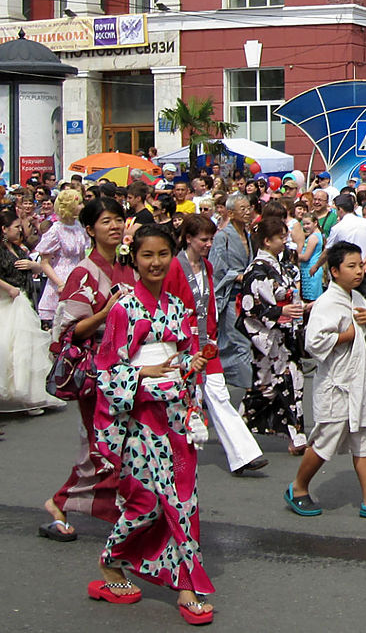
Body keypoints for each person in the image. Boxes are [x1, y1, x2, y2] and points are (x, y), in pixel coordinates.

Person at [90, 224, 215, 625]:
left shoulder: (178, 309)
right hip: (140, 419)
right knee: (146, 504)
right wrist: (143, 375)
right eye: (147, 255)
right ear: (134, 258)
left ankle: (186, 584)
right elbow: (107, 370)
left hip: (175, 415)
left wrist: (189, 369)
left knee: (183, 501)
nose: (156, 263)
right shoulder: (125, 309)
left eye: (163, 254)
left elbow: (185, 359)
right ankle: (112, 561)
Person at [285, 241, 366, 520]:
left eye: (361, 265)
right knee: (326, 437)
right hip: (336, 382)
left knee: (364, 436)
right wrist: (346, 335)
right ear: (335, 271)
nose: (359, 271)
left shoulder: (357, 299)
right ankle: (298, 487)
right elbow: (313, 343)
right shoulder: (327, 303)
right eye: (351, 266)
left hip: (359, 381)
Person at [41, 198, 138, 541]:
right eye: (106, 221)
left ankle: (102, 506)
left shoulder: (129, 266)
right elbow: (70, 331)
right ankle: (66, 502)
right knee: (105, 446)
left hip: (127, 369)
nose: (114, 226)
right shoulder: (82, 272)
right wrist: (106, 311)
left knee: (120, 444)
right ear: (89, 229)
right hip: (96, 370)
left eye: (118, 220)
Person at [162, 214, 268, 475]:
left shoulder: (208, 268)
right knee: (179, 400)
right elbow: (166, 305)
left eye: (211, 239)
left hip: (206, 342)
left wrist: (211, 335)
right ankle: (168, 454)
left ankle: (244, 454)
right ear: (188, 239)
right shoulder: (174, 268)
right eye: (203, 239)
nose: (209, 244)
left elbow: (210, 305)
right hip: (181, 343)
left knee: (218, 394)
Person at [236, 217, 307, 455]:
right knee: (266, 389)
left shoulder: (280, 265)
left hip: (285, 335)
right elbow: (250, 308)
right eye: (280, 237)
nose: (285, 240)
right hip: (269, 337)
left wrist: (300, 307)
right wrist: (280, 311)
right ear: (267, 241)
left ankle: (297, 435)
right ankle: (237, 427)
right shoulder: (256, 270)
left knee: (292, 381)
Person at [0, 210, 63, 413]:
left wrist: (33, 265)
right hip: (8, 301)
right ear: (4, 229)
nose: (20, 230)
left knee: (27, 348)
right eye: (16, 227)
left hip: (24, 300)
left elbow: (37, 268)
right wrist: (8, 288)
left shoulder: (19, 249)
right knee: (11, 349)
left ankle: (30, 395)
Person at [209, 193, 255, 388]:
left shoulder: (249, 235)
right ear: (230, 213)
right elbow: (216, 267)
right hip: (230, 296)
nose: (247, 212)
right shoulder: (223, 236)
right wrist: (235, 276)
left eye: (248, 208)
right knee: (238, 341)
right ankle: (246, 385)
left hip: (246, 296)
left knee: (243, 340)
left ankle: (230, 378)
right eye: (242, 209)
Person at [35, 190, 89, 327]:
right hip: (60, 279)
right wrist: (59, 283)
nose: (82, 206)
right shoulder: (56, 230)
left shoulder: (79, 227)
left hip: (78, 277)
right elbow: (45, 262)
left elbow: (82, 255)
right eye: (79, 203)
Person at [297, 213, 324, 301]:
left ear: (315, 223)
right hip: (310, 270)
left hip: (311, 270)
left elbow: (306, 257)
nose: (305, 226)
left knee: (311, 300)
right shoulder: (317, 235)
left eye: (308, 224)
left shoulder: (313, 237)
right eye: (304, 224)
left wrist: (294, 255)